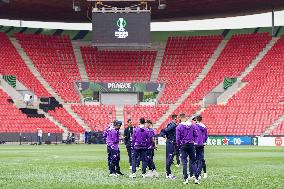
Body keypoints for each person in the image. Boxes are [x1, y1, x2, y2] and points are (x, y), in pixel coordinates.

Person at [176, 114, 199, 185]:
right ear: (185, 118)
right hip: (191, 145)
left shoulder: (179, 127)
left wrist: (179, 145)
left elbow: (177, 138)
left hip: (183, 146)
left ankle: (186, 179)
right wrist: (193, 141)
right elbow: (196, 135)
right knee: (193, 162)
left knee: (184, 163)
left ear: (180, 118)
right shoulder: (192, 125)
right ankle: (196, 179)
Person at [162, 114, 178, 179]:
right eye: (177, 118)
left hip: (171, 143)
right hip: (171, 143)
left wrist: (164, 135)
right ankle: (168, 174)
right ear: (175, 119)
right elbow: (165, 130)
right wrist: (165, 134)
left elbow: (164, 131)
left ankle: (168, 173)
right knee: (169, 159)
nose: (177, 120)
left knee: (170, 159)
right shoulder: (173, 125)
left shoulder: (170, 124)